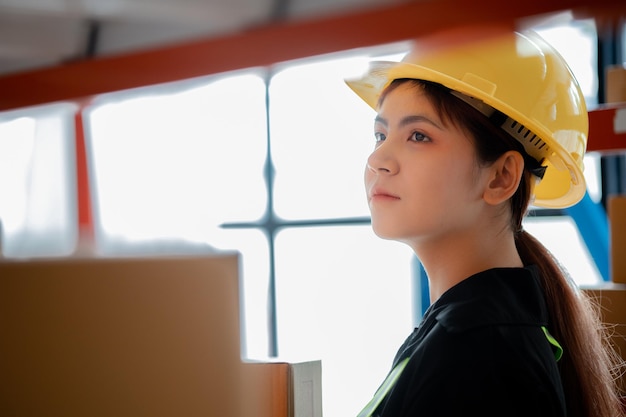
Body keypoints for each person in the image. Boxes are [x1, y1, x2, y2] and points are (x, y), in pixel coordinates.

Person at [345, 27, 625, 417]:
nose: (378, 160)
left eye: (419, 136)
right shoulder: (472, 332)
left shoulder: (477, 351)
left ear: (500, 177)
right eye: (380, 134)